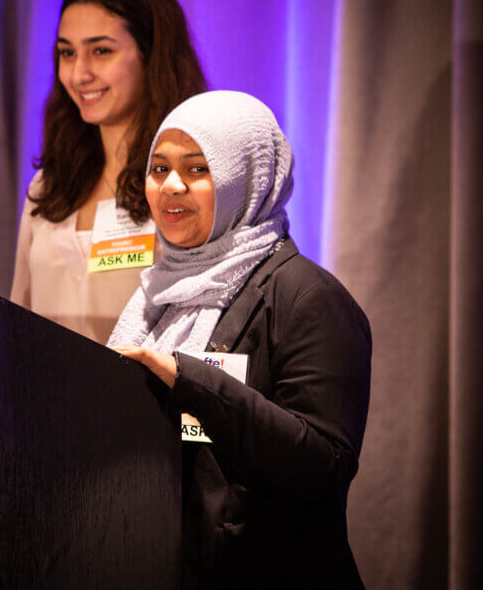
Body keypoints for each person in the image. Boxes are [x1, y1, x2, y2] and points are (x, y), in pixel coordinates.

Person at [110, 91, 371, 589]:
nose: (172, 186)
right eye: (159, 168)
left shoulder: (310, 298)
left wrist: (191, 380)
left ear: (246, 180)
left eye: (198, 170)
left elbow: (324, 464)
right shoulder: (158, 291)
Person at [10, 0, 206, 344]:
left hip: (146, 401)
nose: (80, 73)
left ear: (153, 56)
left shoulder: (188, 183)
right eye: (67, 53)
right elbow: (18, 314)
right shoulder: (47, 185)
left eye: (101, 51)